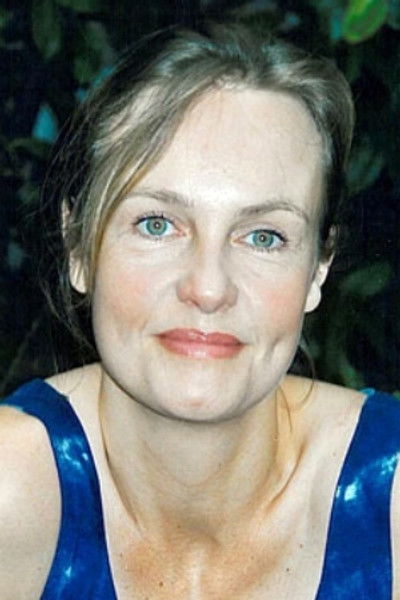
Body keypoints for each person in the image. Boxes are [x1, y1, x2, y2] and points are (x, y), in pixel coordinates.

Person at [1, 21, 399, 600]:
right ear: (79, 249)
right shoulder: (13, 491)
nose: (208, 289)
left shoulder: (388, 499)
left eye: (263, 236)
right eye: (156, 225)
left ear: (318, 269)